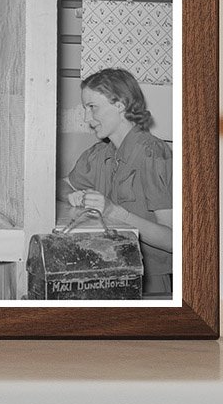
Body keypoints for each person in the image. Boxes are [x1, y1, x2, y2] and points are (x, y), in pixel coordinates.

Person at [61, 67, 173, 296]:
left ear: (120, 104)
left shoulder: (153, 154)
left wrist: (115, 212)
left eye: (92, 107)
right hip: (107, 271)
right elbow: (59, 184)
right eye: (85, 108)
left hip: (150, 282)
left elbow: (173, 241)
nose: (86, 118)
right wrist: (71, 195)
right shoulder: (97, 154)